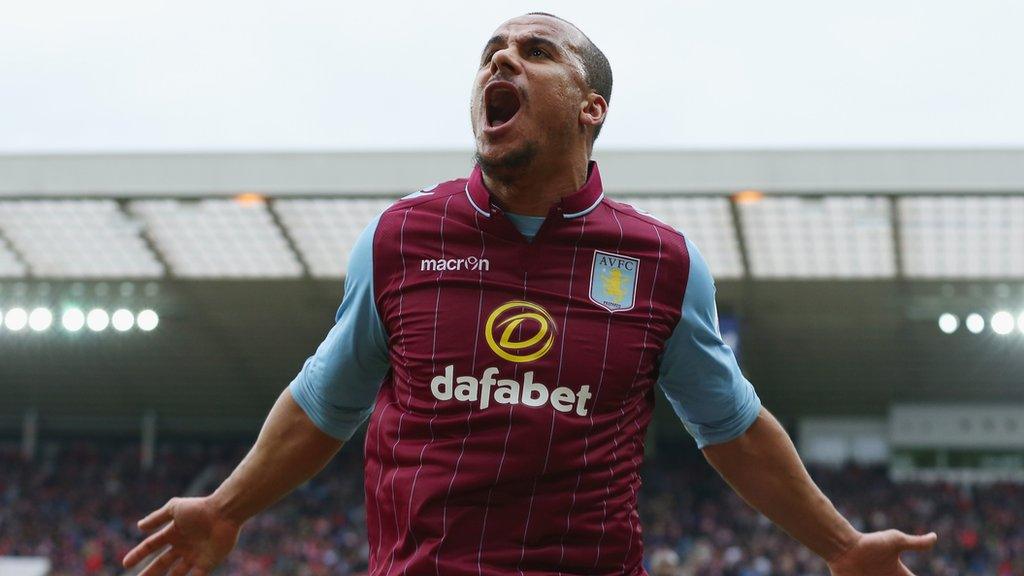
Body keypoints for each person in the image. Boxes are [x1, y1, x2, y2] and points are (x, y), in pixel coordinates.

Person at [123, 12, 937, 576]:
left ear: (592, 109)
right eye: (491, 52)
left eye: (536, 51)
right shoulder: (402, 238)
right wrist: (227, 509)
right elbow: (322, 402)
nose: (500, 61)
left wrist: (841, 545)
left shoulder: (660, 262)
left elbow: (732, 428)